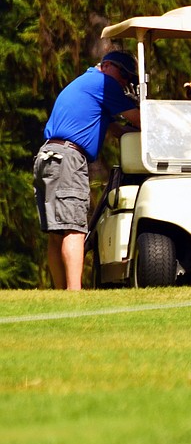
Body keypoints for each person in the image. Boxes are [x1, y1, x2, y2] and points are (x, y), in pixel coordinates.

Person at [33, 50, 142, 290]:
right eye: (124, 75)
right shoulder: (104, 83)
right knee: (74, 230)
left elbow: (117, 131)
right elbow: (139, 119)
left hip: (47, 156)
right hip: (68, 158)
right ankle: (74, 295)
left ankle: (62, 295)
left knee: (56, 233)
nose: (124, 82)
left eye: (128, 79)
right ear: (107, 66)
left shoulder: (87, 84)